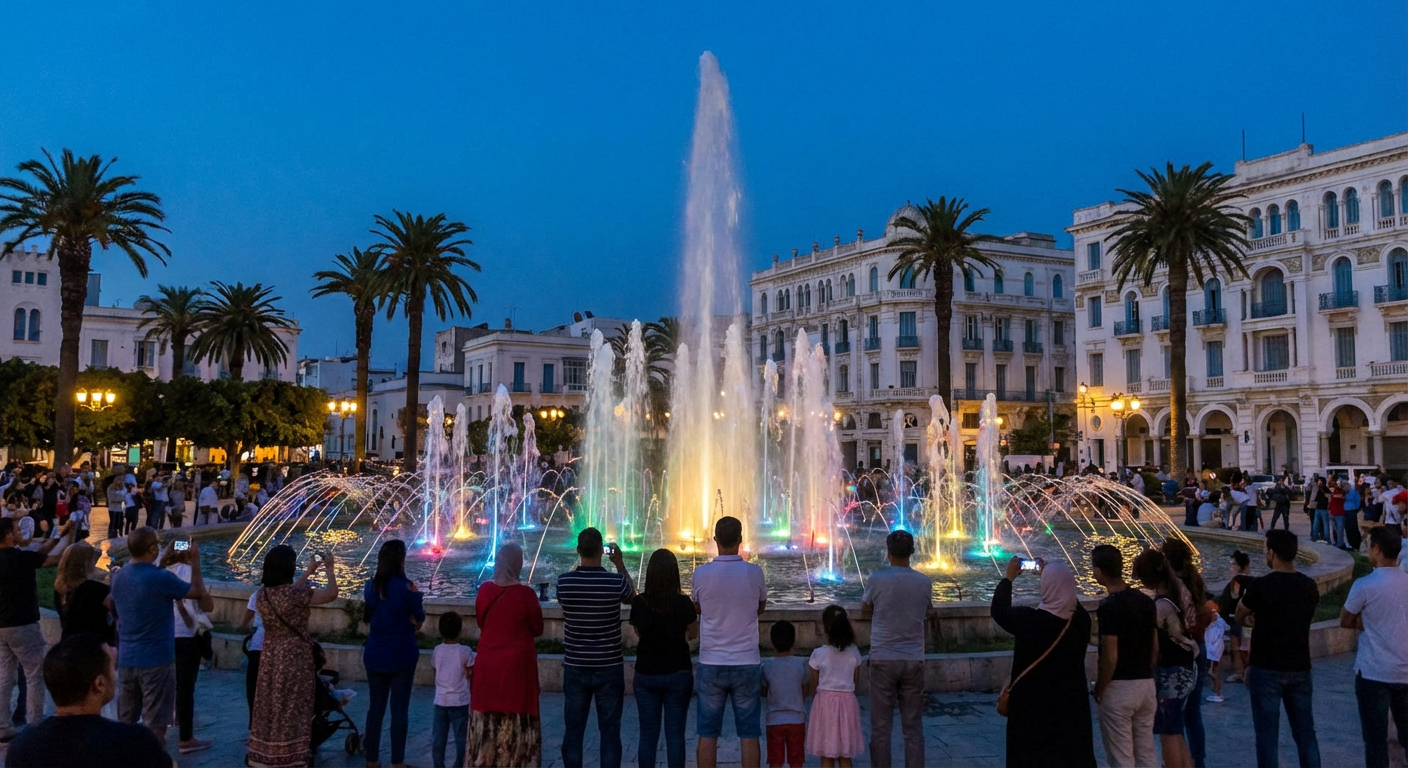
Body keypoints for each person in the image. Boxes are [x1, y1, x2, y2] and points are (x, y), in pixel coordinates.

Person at [4, 633, 173, 768]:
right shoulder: (133, 742)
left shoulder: (21, 748)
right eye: (113, 668)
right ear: (99, 684)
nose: (116, 675)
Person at [110, 527, 212, 747]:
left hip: (127, 659)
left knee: (126, 721)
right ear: (153, 548)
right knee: (155, 724)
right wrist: (195, 560)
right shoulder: (160, 578)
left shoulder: (118, 578)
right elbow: (197, 592)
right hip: (156, 660)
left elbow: (114, 610)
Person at [991, 557, 1095, 767]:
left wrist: (1008, 579)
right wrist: (1051, 572)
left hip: (1032, 706)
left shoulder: (1030, 620)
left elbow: (999, 611)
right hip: (1069, 704)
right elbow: (1072, 601)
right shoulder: (1081, 621)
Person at [246, 545, 339, 767]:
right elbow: (331, 594)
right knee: (293, 708)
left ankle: (265, 754)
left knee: (270, 705)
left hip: (270, 658)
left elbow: (288, 594)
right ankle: (292, 756)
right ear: (288, 568)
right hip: (295, 661)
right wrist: (329, 568)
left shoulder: (261, 596)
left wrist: (307, 572)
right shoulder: (296, 595)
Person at [1237, 529, 1321, 768]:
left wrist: (1251, 620)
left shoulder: (1261, 586)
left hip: (1267, 668)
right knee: (1306, 734)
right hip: (1300, 667)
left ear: (1271, 553)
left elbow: (1241, 614)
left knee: (1267, 737)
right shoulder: (1308, 586)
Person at [556, 527, 635, 768]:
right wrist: (619, 563)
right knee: (610, 733)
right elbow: (632, 595)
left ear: (578, 550)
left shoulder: (564, 583)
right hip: (609, 667)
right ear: (603, 551)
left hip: (576, 666)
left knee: (573, 732)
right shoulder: (614, 583)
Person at [692, 516, 768, 768]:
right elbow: (760, 608)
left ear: (715, 540)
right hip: (746, 661)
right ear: (740, 540)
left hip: (711, 662)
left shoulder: (701, 574)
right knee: (749, 734)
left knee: (707, 733)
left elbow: (698, 608)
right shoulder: (754, 573)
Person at [859, 529, 931, 767]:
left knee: (881, 728)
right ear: (912, 552)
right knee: (913, 728)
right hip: (913, 659)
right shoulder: (924, 582)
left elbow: (865, 609)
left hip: (883, 658)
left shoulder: (877, 579)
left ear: (888, 553)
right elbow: (927, 611)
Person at [468, 542, 544, 768]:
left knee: (487, 719)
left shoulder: (484, 591)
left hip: (488, 668)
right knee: (517, 720)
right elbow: (538, 628)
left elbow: (482, 621)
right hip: (517, 672)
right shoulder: (526, 595)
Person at [0, 517, 75, 740]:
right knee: (34, 675)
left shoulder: (18, 557)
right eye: (16, 530)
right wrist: (70, 541)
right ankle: (35, 725)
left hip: (1, 626)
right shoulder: (19, 559)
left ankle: (3, 727)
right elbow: (50, 560)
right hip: (23, 624)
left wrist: (56, 537)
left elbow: (38, 554)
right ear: (8, 535)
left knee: (5, 677)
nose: (20, 532)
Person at [1340, 526, 1408, 767]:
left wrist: (1368, 621)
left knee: (1375, 740)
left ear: (1377, 549)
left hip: (1373, 672)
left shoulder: (1365, 585)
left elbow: (1345, 620)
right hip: (1405, 672)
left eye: (1368, 545)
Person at [629, 548, 697, 768]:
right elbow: (693, 632)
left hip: (647, 672)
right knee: (675, 734)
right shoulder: (683, 603)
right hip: (678, 672)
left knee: (648, 734)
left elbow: (639, 632)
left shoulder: (640, 603)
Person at [1091, 544, 1157, 768]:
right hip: (1146, 684)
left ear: (1099, 571)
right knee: (1146, 752)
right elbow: (1155, 647)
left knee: (1121, 757)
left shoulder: (1110, 606)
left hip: (1120, 687)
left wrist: (1101, 687)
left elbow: (1110, 654)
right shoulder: (1146, 601)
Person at [361, 539, 424, 768]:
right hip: (402, 654)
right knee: (399, 710)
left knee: (375, 708)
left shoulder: (371, 586)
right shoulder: (406, 588)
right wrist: (416, 597)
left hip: (375, 653)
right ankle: (397, 762)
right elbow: (419, 620)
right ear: (401, 560)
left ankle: (372, 760)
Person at [1134, 550, 1197, 768]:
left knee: (1167, 731)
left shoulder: (1159, 607)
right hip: (1186, 667)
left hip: (1173, 672)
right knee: (1175, 728)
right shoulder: (1176, 592)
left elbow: (1154, 649)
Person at [1163, 538, 1213, 768]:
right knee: (1194, 711)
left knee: (1175, 715)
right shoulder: (1196, 580)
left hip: (1180, 652)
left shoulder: (1173, 588)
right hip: (1199, 648)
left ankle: (1180, 761)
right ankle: (1198, 761)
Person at [163, 543, 212, 754]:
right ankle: (186, 738)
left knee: (168, 683)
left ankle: (170, 720)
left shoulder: (161, 572)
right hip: (187, 635)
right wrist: (197, 563)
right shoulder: (190, 571)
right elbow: (205, 602)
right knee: (186, 688)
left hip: (164, 635)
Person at [805, 605, 864, 768]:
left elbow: (814, 684)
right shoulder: (854, 652)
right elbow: (855, 680)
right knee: (845, 755)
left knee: (826, 755)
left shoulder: (818, 654)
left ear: (825, 627)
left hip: (825, 705)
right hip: (847, 703)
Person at [760, 621, 808, 768]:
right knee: (796, 760)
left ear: (772, 642)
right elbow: (805, 689)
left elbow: (763, 691)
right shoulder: (801, 664)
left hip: (774, 719)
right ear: (794, 641)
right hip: (797, 718)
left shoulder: (767, 666)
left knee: (775, 760)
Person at [430, 611, 474, 768]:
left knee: (438, 739)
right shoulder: (465, 651)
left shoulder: (437, 650)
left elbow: (435, 670)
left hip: (441, 700)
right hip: (460, 701)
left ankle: (438, 765)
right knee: (461, 739)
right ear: (460, 630)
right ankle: (459, 764)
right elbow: (470, 672)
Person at [53, 541, 114, 645]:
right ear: (86, 564)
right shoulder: (96, 589)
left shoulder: (60, 587)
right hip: (94, 646)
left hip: (69, 643)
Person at [238, 587, 264, 721]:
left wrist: (242, 627)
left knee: (253, 688)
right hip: (277, 648)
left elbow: (249, 613)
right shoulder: (288, 593)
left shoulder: (258, 594)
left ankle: (253, 722)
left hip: (257, 645)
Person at [1203, 612, 1229, 704]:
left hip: (1212, 652)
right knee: (1215, 672)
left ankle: (1218, 693)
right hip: (1216, 651)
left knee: (1214, 673)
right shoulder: (1220, 621)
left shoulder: (1211, 625)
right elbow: (1227, 627)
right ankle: (1216, 690)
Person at [1311, 477, 1331, 543]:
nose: (1319, 482)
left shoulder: (1325, 489)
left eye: (1320, 480)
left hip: (1323, 508)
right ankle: (1316, 537)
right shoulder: (1319, 489)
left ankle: (1324, 537)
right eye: (1318, 480)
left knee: (1323, 524)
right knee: (1317, 524)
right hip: (1319, 508)